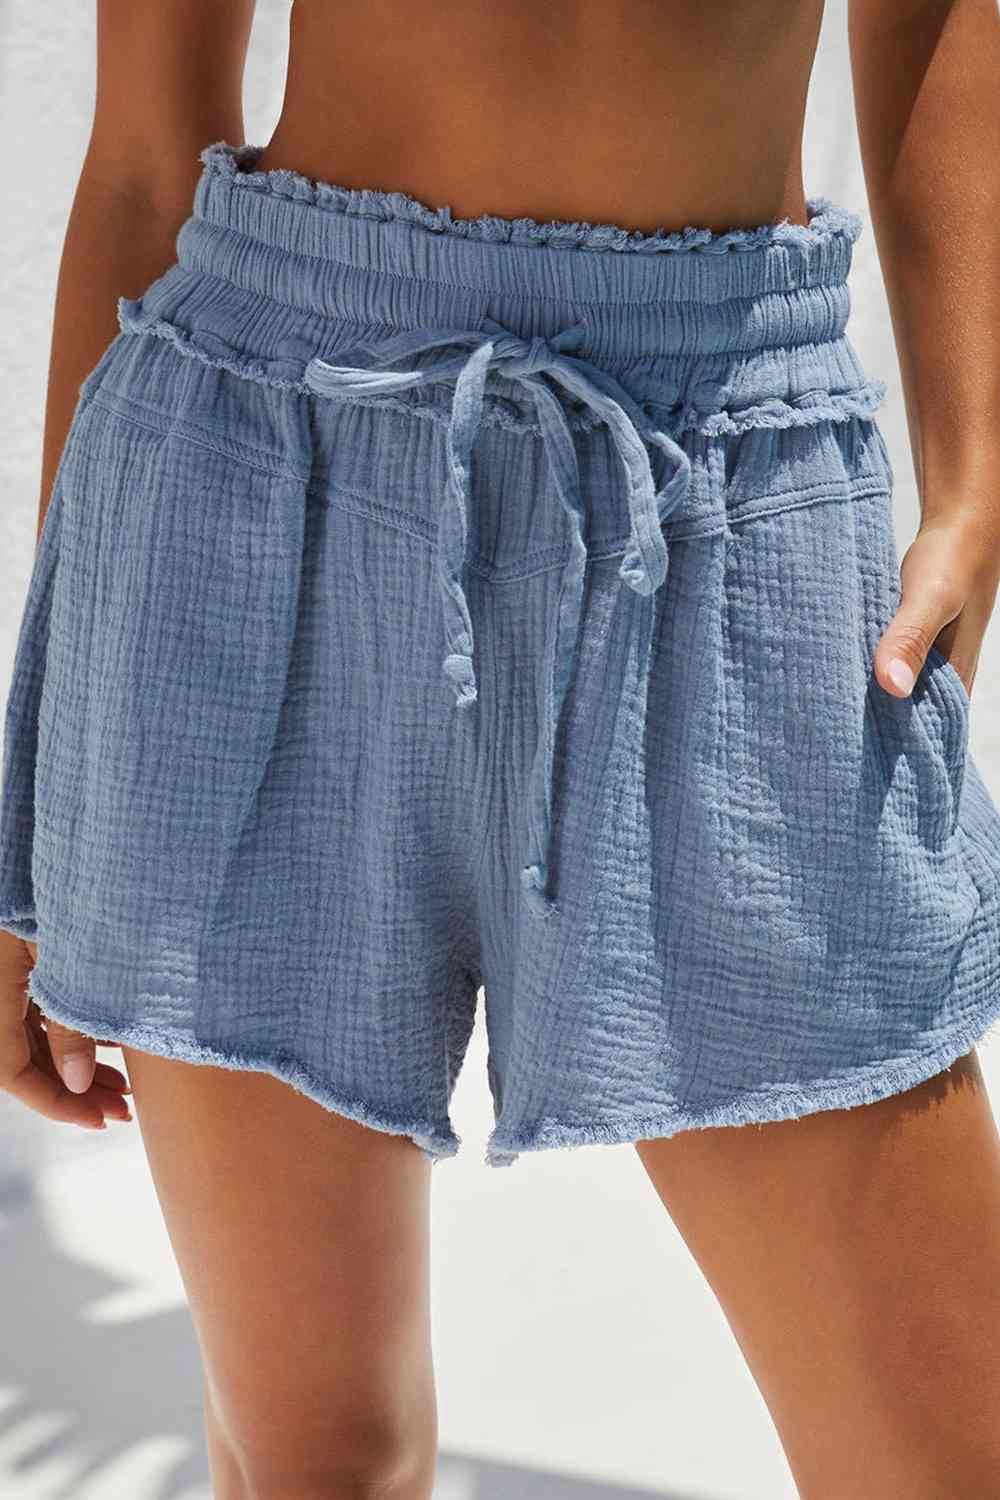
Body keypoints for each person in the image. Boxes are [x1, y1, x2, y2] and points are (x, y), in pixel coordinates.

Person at [1, 0, 999, 1495]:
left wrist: (974, 481)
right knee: (316, 1459)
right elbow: (149, 156)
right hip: (259, 465)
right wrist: (46, 811)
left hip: (717, 482)